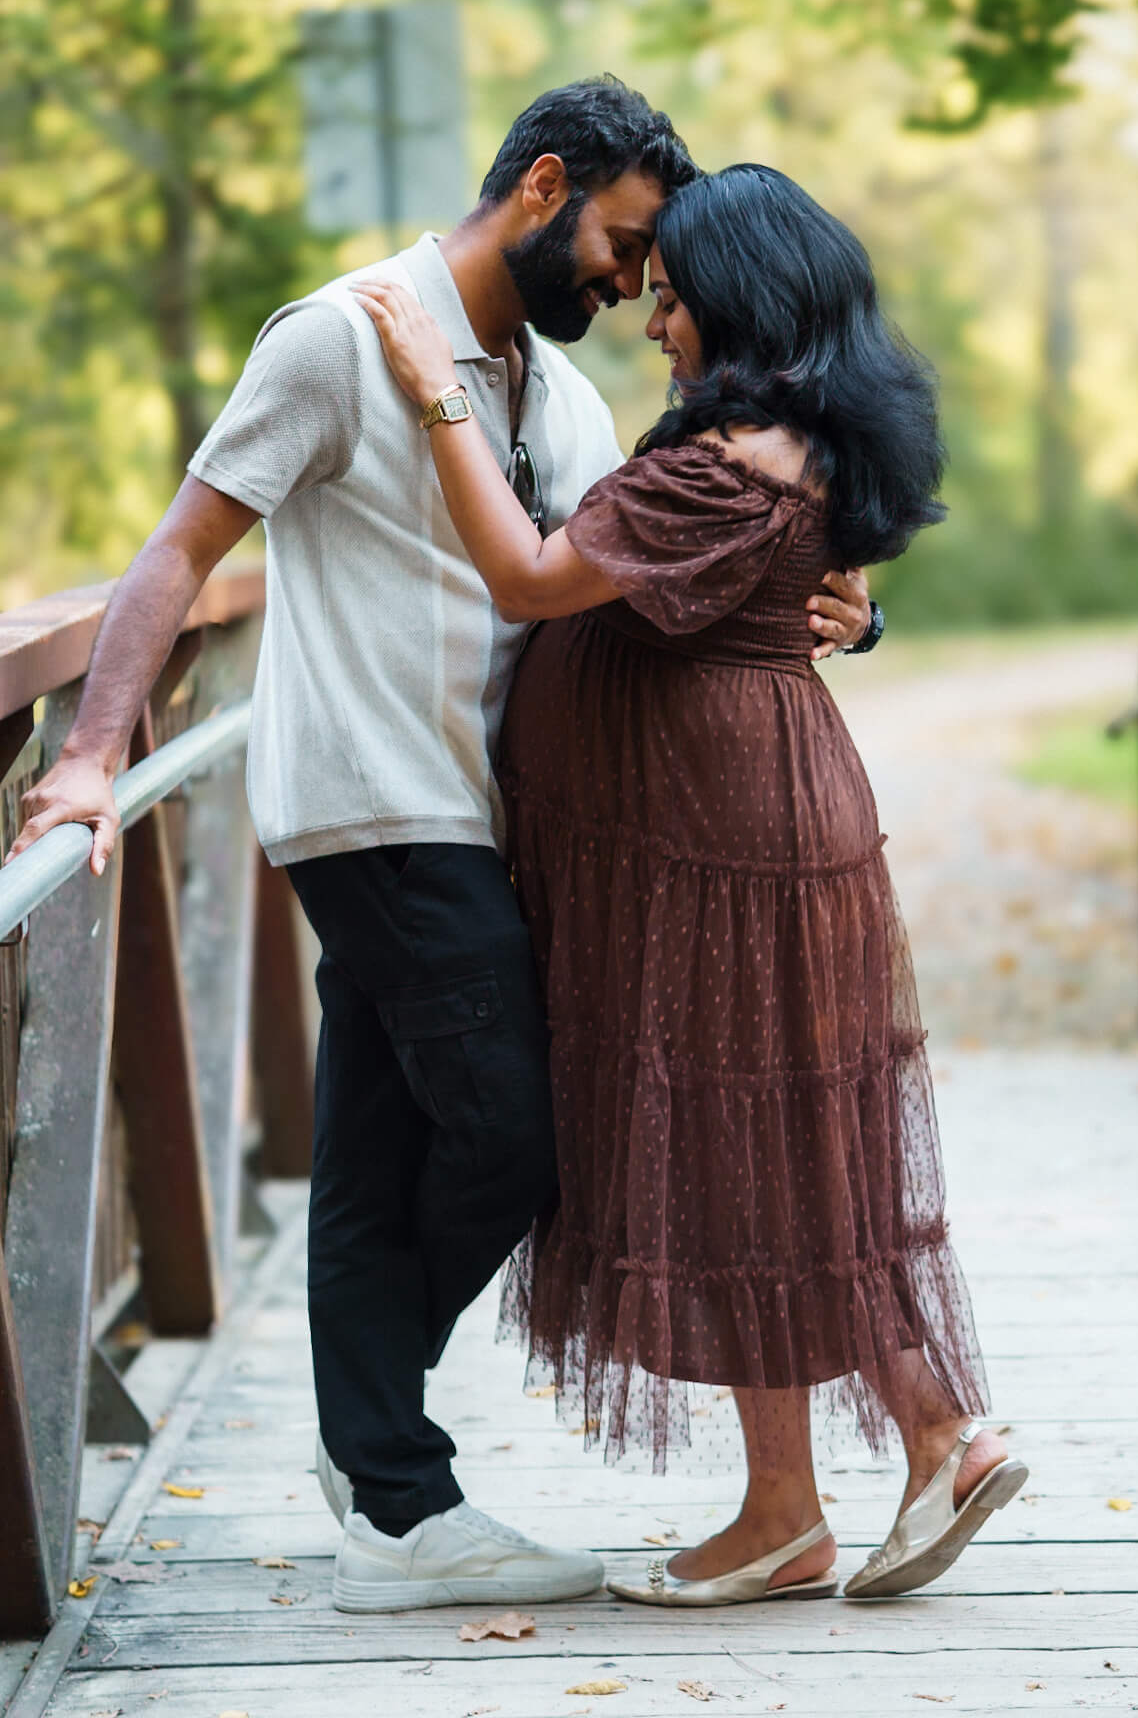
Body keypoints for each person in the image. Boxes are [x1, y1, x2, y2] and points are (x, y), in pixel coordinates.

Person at [5, 82, 875, 1613]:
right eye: (620, 244)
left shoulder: (555, 390)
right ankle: (382, 1449)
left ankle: (394, 1503)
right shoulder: (345, 336)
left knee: (379, 1150)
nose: (634, 283)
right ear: (542, 188)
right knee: (516, 1136)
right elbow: (179, 552)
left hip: (507, 826)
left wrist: (862, 612)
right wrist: (86, 753)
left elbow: (660, 560)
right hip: (385, 805)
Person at [353, 161, 1028, 1610]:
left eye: (672, 300)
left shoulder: (731, 458)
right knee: (757, 1155)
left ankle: (934, 1434)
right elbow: (788, 586)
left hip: (716, 848)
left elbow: (534, 580)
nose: (653, 322)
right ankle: (785, 1511)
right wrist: (861, 613)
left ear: (739, 303)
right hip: (734, 827)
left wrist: (433, 390)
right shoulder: (785, 442)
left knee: (763, 1161)